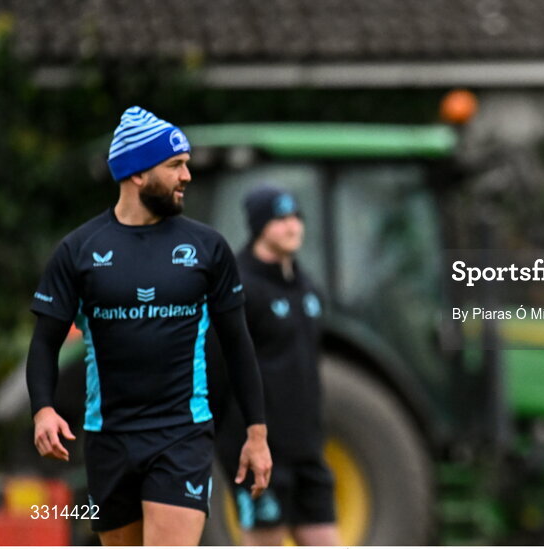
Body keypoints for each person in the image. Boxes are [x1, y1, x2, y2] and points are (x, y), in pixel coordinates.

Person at [26, 106, 273, 546]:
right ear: (138, 174)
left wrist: (257, 434)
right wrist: (43, 409)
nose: (186, 176)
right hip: (108, 439)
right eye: (175, 165)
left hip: (181, 436)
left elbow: (238, 345)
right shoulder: (79, 251)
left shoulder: (207, 248)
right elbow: (44, 344)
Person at [213, 185, 338, 545]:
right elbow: (217, 372)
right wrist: (232, 440)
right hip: (258, 453)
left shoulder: (307, 288)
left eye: (296, 217)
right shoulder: (237, 289)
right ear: (259, 226)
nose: (292, 227)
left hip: (308, 450)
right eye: (280, 219)